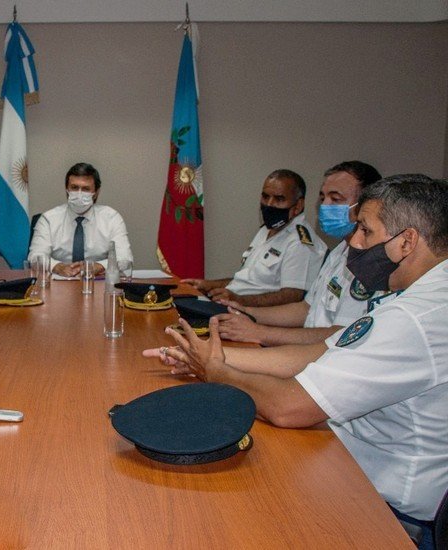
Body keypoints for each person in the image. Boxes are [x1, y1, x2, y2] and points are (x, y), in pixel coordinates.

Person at [146, 174, 448, 549]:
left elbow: (290, 408)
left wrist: (219, 372)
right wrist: (215, 357)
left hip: (388, 511)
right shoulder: (420, 298)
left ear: (407, 240)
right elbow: (323, 351)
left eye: (366, 232)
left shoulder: (415, 317)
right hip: (350, 469)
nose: (353, 241)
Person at [215, 161, 382, 345]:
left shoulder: (369, 264)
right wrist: (246, 311)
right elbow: (305, 309)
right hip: (305, 352)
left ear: (366, 206)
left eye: (335, 199)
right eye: (323, 198)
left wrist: (260, 333)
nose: (324, 206)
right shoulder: (340, 251)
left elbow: (341, 335)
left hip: (326, 362)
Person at [183, 169, 326, 306]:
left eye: (279, 199)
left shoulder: (300, 243)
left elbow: (293, 296)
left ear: (298, 205)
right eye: (265, 196)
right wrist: (209, 285)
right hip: (233, 305)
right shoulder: (267, 230)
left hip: (256, 317)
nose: (269, 204)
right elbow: (250, 282)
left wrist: (239, 300)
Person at [28, 162, 133, 277]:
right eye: (74, 187)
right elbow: (35, 257)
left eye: (86, 189)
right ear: (66, 189)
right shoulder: (48, 219)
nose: (79, 194)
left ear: (96, 192)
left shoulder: (111, 218)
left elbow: (125, 259)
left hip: (98, 284)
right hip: (58, 283)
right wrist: (57, 267)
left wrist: (99, 266)